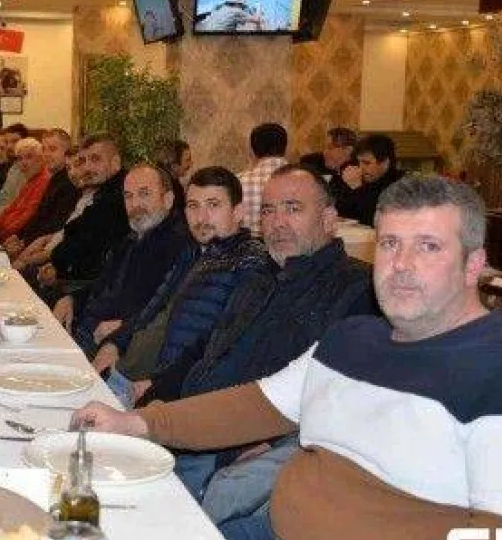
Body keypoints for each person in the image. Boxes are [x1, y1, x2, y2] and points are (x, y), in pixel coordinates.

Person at [74, 175, 502, 540]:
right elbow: (256, 403)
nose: (402, 264)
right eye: (391, 244)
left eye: (428, 246)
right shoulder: (352, 339)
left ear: (474, 265)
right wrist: (136, 423)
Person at [135, 166, 374, 506]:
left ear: (328, 219)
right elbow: (206, 348)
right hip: (185, 426)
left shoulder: (356, 291)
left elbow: (339, 397)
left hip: (232, 456)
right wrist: (154, 397)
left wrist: (277, 444)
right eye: (268, 211)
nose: (278, 223)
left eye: (293, 209)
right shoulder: (260, 277)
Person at [93, 167, 273, 407]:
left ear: (238, 212)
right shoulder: (192, 253)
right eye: (193, 206)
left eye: (213, 205)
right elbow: (152, 308)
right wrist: (115, 342)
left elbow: (224, 345)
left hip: (184, 398)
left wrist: (158, 385)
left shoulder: (250, 262)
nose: (202, 217)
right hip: (140, 380)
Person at [63, 164, 191, 357]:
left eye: (144, 194)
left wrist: (124, 328)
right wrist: (72, 299)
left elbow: (166, 309)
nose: (135, 204)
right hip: (87, 326)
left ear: (168, 199)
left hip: (115, 343)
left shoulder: (178, 245)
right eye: (128, 196)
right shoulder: (131, 238)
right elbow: (103, 286)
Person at [33, 135, 129, 301]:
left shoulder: (119, 194)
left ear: (115, 162)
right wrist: (56, 263)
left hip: (92, 289)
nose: (88, 168)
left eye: (95, 159)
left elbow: (89, 245)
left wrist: (57, 267)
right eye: (84, 161)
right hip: (76, 276)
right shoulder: (102, 191)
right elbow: (76, 230)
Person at [2, 130, 80, 256]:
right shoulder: (54, 179)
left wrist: (24, 242)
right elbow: (39, 215)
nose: (47, 154)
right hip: (30, 242)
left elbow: (55, 225)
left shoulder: (70, 183)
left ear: (67, 152)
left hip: (46, 250)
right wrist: (19, 235)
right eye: (44, 149)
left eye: (52, 149)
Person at [337, 133, 405, 227]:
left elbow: (374, 220)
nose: (361, 168)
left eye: (366, 163)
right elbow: (340, 213)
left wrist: (358, 189)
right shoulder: (364, 179)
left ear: (385, 163)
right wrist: (349, 188)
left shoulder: (400, 186)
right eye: (359, 162)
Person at [0, 138, 50, 241]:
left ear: (41, 158)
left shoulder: (44, 180)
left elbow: (26, 217)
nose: (23, 162)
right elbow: (10, 208)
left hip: (13, 238)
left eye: (29, 157)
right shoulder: (30, 180)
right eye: (20, 159)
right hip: (2, 234)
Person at [236, 123, 288, 236]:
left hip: (248, 245)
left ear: (252, 151)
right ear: (285, 147)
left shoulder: (237, 182)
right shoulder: (309, 180)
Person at [0, 124, 32, 220]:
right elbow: (2, 195)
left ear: (25, 142)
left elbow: (20, 204)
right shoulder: (13, 168)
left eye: (14, 141)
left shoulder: (31, 169)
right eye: (7, 142)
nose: (9, 146)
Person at [197, 0, 266, 32]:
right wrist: (259, 7)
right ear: (237, 4)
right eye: (242, 6)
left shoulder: (221, 9)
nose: (242, 8)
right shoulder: (236, 11)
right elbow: (257, 20)